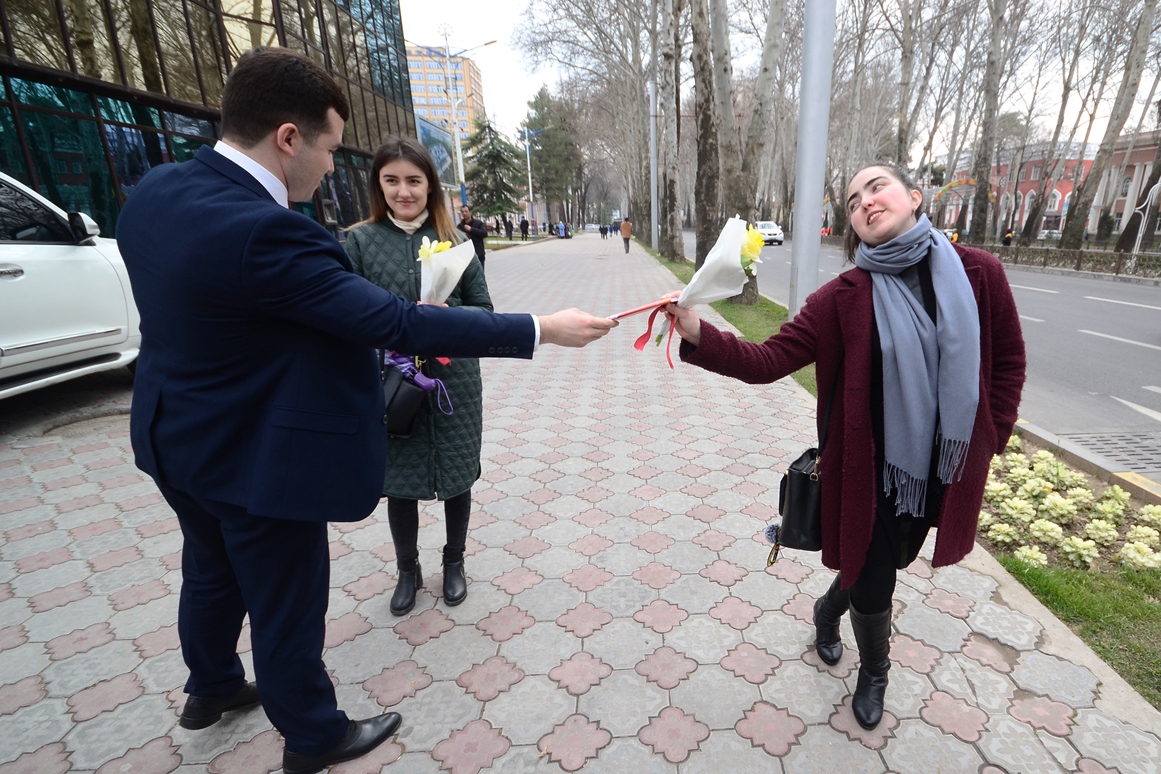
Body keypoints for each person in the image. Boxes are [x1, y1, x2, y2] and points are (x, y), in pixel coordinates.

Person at [115, 47, 617, 774]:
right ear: (289, 138)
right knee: (285, 599)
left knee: (210, 569)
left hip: (170, 436)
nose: (330, 167)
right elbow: (397, 322)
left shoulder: (157, 190)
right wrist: (540, 329)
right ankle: (313, 734)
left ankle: (212, 685)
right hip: (252, 456)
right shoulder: (268, 230)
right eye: (329, 149)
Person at [665, 161, 1025, 731]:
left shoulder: (978, 273)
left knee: (891, 556)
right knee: (877, 570)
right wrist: (698, 332)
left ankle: (827, 607)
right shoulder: (842, 297)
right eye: (853, 201)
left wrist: (991, 435)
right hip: (867, 468)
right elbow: (768, 360)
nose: (865, 203)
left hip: (942, 462)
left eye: (876, 188)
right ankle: (875, 672)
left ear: (913, 196)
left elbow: (1006, 361)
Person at [344, 137, 491, 616]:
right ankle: (407, 569)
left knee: (458, 477)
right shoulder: (360, 242)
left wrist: (450, 317)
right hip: (391, 382)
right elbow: (347, 315)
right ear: (378, 185)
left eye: (414, 180)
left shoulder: (457, 242)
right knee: (400, 483)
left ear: (430, 186)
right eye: (392, 181)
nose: (403, 191)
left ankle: (454, 561)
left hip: (453, 381)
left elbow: (485, 310)